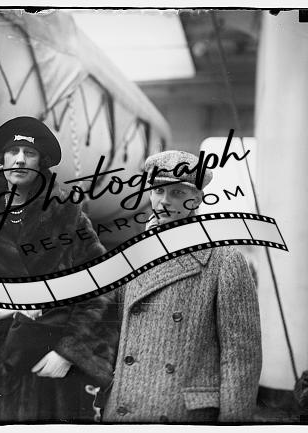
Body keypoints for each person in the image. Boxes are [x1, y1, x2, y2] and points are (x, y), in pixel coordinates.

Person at [0, 116, 118, 422]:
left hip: (50, 371)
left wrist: (69, 352)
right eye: (12, 151)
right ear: (2, 159)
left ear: (41, 162)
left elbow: (102, 286)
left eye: (29, 153)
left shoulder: (68, 216)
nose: (19, 159)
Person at [102, 150, 262, 423]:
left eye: (177, 193)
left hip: (184, 414)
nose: (164, 201)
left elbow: (240, 358)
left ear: (197, 199)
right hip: (123, 409)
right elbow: (107, 326)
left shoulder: (224, 260)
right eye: (158, 191)